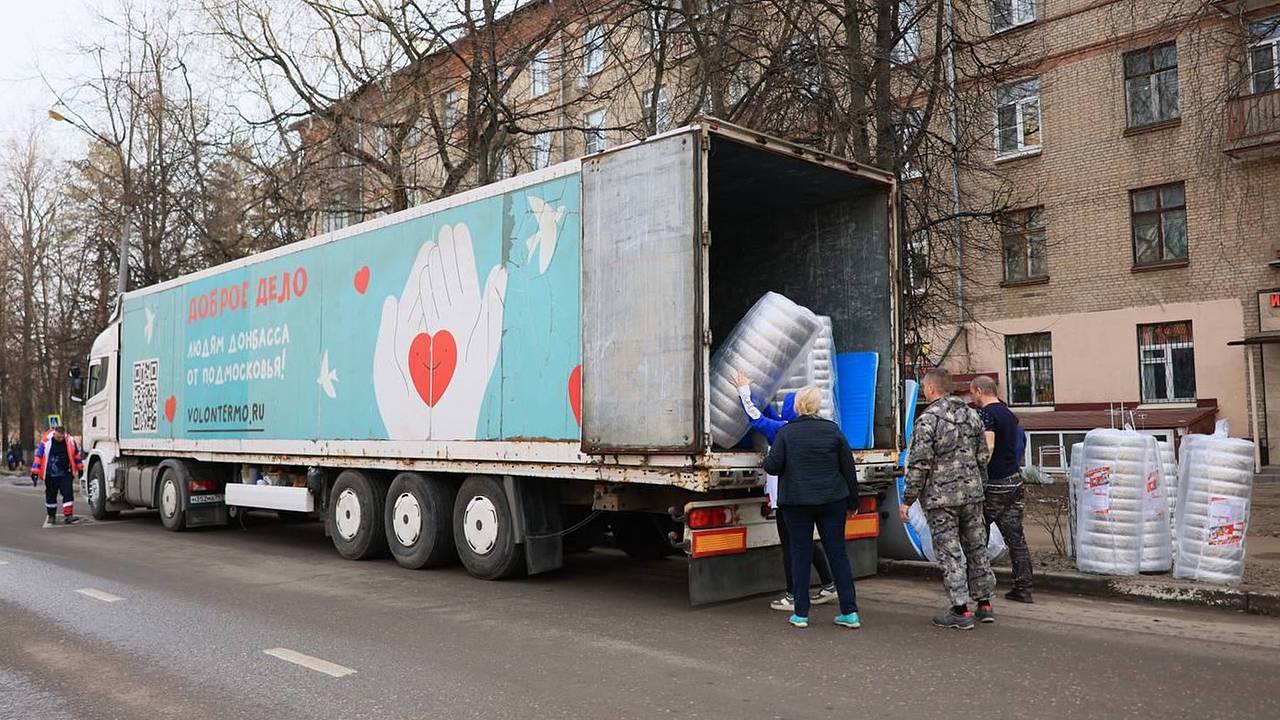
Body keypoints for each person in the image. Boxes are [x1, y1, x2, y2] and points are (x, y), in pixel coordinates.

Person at [731, 371, 838, 612]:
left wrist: (744, 391)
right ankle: (829, 584)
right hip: (806, 496)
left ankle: (793, 595)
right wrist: (761, 393)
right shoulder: (798, 427)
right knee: (805, 543)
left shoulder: (782, 431)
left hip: (786, 499)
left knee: (792, 547)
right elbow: (768, 414)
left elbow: (756, 418)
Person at [899, 368, 994, 630]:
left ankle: (960, 610)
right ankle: (984, 603)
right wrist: (979, 486)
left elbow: (919, 463)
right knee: (976, 546)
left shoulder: (928, 420)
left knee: (950, 551)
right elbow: (982, 456)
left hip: (942, 499)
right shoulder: (971, 415)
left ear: (930, 389)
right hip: (972, 493)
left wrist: (908, 500)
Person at [762, 386, 861, 629]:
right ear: (817, 405)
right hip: (832, 500)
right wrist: (853, 502)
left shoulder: (787, 433)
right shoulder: (832, 430)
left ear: (797, 407)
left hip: (797, 503)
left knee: (800, 554)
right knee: (837, 553)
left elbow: (773, 467)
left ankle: (801, 614)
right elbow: (848, 468)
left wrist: (769, 457)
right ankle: (850, 612)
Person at [971, 375, 1033, 603]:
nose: (972, 398)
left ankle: (979, 586)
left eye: (972, 393)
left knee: (978, 535)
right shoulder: (1009, 414)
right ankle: (1023, 587)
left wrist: (977, 471)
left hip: (994, 484)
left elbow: (988, 445)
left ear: (979, 391)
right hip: (1014, 481)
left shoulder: (986, 414)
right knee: (1016, 538)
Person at [32, 425, 83, 527]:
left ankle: (68, 516)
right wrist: (35, 472)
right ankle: (51, 516)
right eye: (58, 437)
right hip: (50, 474)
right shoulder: (46, 442)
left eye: (61, 437)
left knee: (68, 493)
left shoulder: (70, 442)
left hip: (65, 473)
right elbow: (38, 457)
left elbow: (76, 455)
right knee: (51, 495)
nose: (60, 439)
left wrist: (80, 468)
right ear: (54, 433)